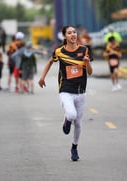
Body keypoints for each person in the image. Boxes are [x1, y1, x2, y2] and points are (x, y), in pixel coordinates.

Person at [38, 25, 93, 161]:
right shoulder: (59, 52)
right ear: (64, 36)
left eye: (74, 32)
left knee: (79, 124)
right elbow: (50, 62)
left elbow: (90, 72)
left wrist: (87, 63)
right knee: (72, 114)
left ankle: (74, 147)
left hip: (81, 91)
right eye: (69, 33)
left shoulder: (84, 50)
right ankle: (67, 120)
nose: (73, 35)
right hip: (65, 90)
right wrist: (42, 77)